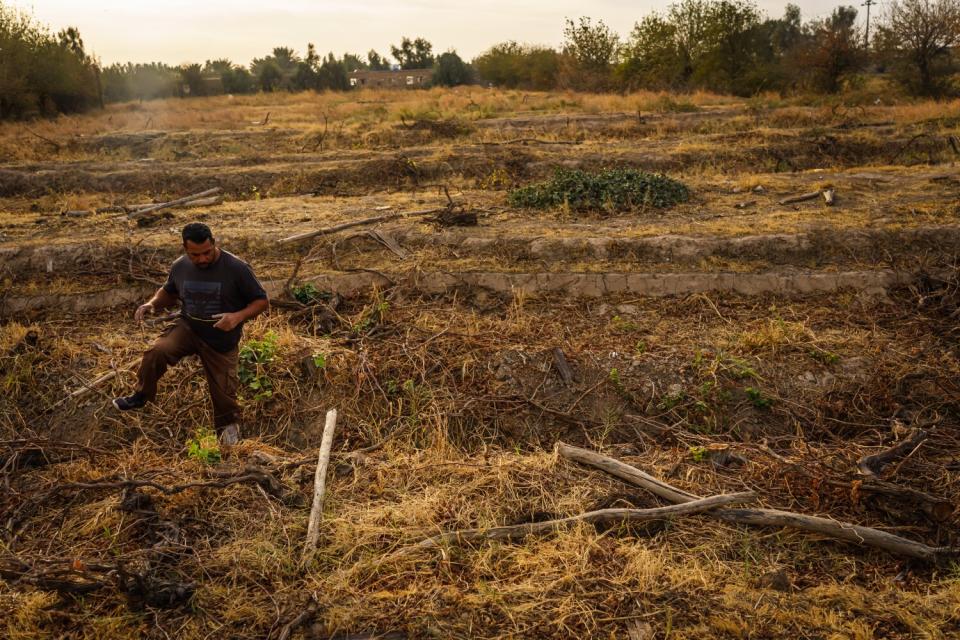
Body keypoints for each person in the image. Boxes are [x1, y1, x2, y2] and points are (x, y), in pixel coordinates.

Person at [113, 222, 269, 445]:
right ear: (185, 249)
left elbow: (261, 301)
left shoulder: (236, 268)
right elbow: (169, 292)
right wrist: (152, 304)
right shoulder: (181, 266)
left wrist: (236, 317)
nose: (202, 259)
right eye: (195, 255)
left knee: (224, 394)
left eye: (207, 252)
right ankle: (141, 395)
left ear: (214, 243)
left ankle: (228, 440)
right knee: (157, 351)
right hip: (189, 327)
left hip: (220, 338)